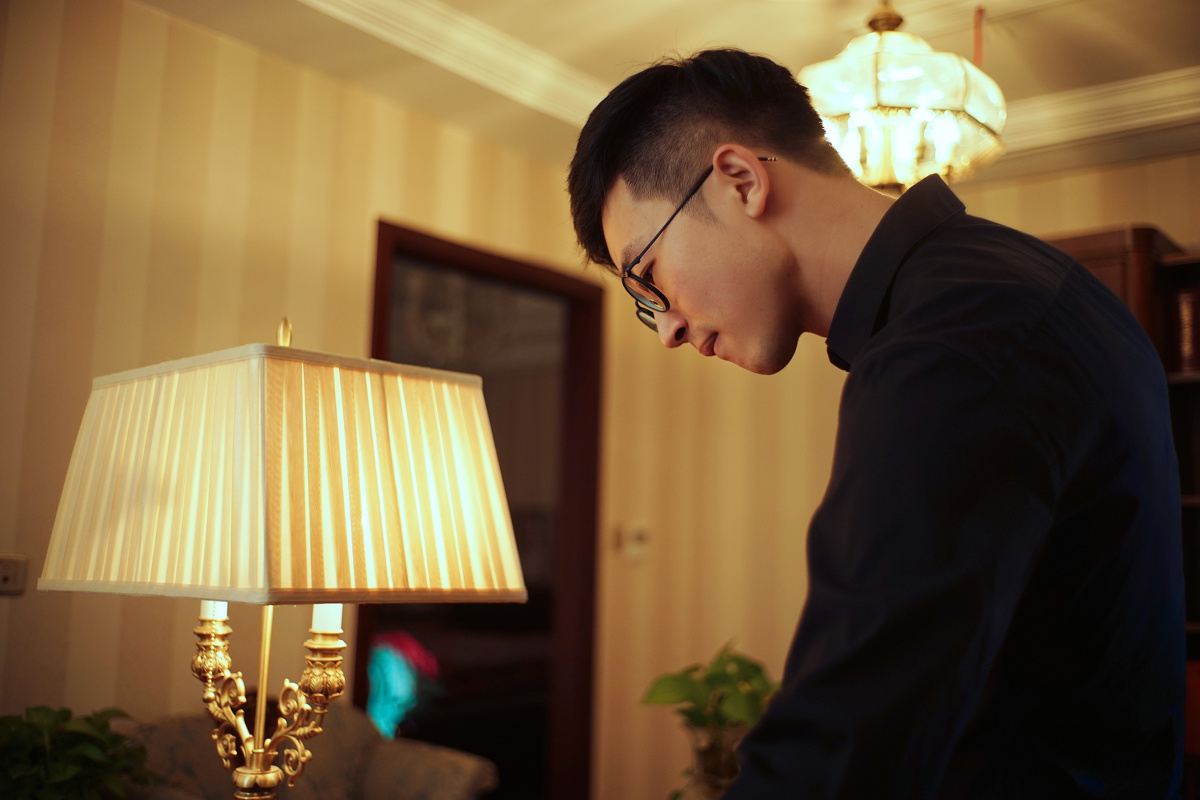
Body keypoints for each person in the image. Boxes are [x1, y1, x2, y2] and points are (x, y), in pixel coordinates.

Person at [567, 48, 1184, 798]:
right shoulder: (1015, 282)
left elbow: (846, 744)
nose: (664, 328)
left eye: (648, 275)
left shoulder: (954, 344)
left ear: (740, 181)